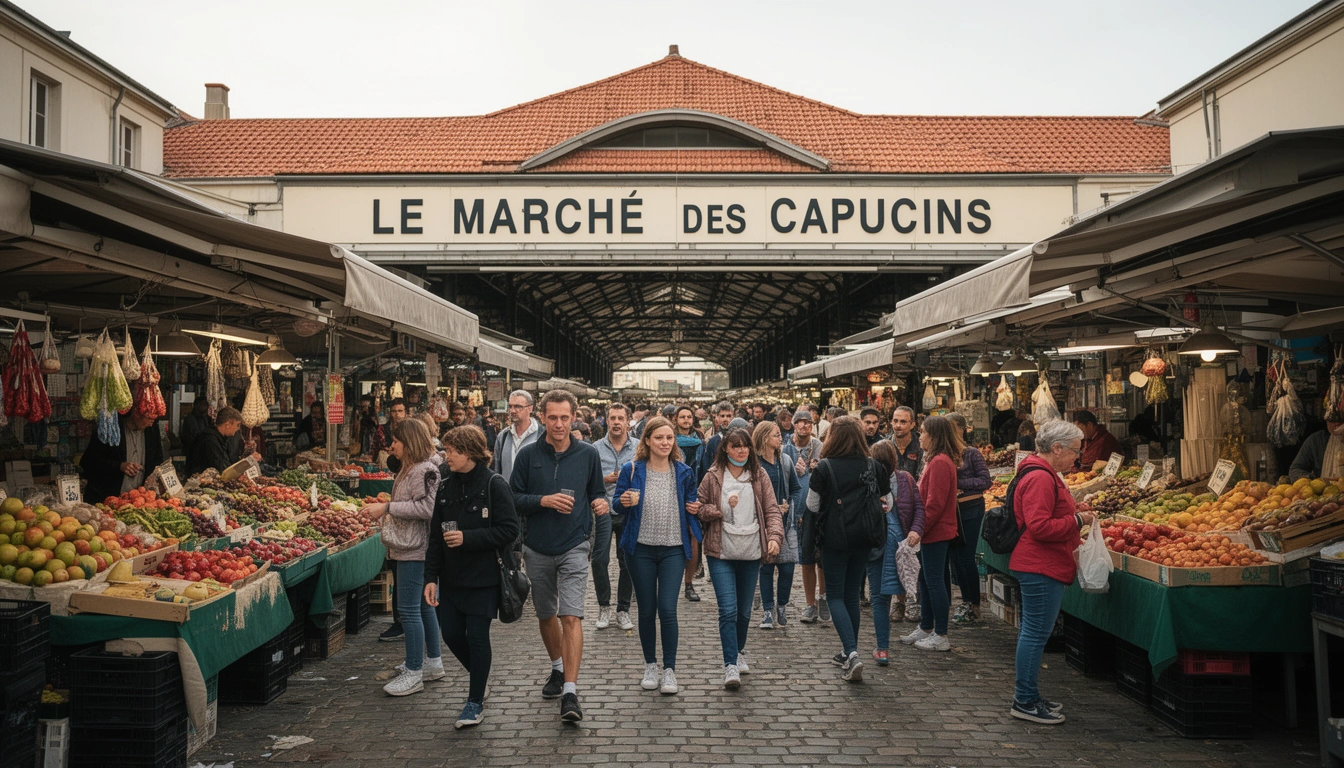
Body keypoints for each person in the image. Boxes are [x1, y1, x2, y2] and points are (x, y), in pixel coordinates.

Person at [510, 389, 608, 722]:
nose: (559, 424)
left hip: (575, 544)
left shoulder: (587, 454)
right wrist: (543, 501)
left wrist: (601, 503)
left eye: (565, 417)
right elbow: (513, 499)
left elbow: (596, 493)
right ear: (542, 418)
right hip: (537, 546)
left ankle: (570, 692)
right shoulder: (527, 456)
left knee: (571, 616)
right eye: (552, 417)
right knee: (545, 613)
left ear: (574, 417)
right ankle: (556, 667)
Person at [423, 425, 519, 728]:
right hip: (452, 579)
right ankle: (481, 677)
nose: (445, 456)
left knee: (477, 637)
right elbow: (435, 537)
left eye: (451, 450)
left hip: (484, 577)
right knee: (451, 634)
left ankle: (474, 700)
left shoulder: (494, 484)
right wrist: (430, 578)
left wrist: (469, 538)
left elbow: (509, 530)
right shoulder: (445, 483)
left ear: (467, 452)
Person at [1010, 419, 1095, 724]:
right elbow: (1040, 526)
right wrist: (1077, 521)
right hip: (1040, 565)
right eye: (1074, 450)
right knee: (1035, 635)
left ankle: (1029, 694)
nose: (1078, 456)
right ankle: (1025, 700)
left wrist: (1074, 512)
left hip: (1043, 563)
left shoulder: (1045, 473)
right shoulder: (1041, 477)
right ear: (1056, 448)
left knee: (1035, 633)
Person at [612, 416, 703, 695]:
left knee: (667, 608)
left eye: (669, 438)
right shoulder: (632, 469)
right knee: (647, 609)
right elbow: (616, 504)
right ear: (647, 440)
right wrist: (624, 500)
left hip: (674, 549)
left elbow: (693, 503)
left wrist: (696, 508)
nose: (665, 443)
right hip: (640, 549)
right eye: (659, 438)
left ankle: (670, 669)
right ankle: (650, 664)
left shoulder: (684, 471)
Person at [804, 417, 891, 682]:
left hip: (835, 539)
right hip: (864, 537)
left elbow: (812, 505)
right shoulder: (874, 466)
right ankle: (846, 651)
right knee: (852, 595)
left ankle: (851, 653)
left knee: (835, 596)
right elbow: (887, 502)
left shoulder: (824, 468)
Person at [696, 427, 783, 689]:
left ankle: (739, 650)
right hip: (720, 551)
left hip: (750, 551)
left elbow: (771, 508)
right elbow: (699, 507)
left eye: (745, 446)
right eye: (736, 446)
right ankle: (730, 664)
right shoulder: (712, 477)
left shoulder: (758, 475)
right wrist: (717, 510)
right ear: (725, 449)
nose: (742, 450)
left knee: (744, 612)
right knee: (728, 609)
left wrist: (775, 537)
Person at [361, 418, 443, 696]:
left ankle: (414, 672)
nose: (391, 445)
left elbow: (427, 508)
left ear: (408, 442)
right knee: (423, 608)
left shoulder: (422, 470)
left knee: (409, 610)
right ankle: (432, 663)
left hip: (415, 549)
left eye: (395, 441)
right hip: (412, 547)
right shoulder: (411, 468)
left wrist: (387, 507)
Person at [902, 415, 961, 652]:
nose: (920, 436)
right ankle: (927, 627)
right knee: (925, 579)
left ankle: (941, 633)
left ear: (935, 436)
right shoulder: (936, 460)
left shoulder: (939, 463)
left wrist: (918, 529)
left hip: (936, 532)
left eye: (924, 432)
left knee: (934, 581)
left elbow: (933, 504)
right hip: (931, 532)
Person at [867, 441, 923, 665]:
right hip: (886, 543)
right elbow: (920, 508)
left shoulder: (905, 480)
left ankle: (882, 649)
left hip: (893, 544)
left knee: (879, 597)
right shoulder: (899, 479)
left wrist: (916, 530)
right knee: (882, 596)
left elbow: (918, 508)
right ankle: (882, 648)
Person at [594, 403, 637, 632]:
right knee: (599, 560)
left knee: (626, 561)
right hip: (602, 511)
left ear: (628, 421)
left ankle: (623, 609)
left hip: (628, 511)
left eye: (621, 418)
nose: (617, 422)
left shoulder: (639, 448)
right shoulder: (594, 449)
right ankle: (604, 606)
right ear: (606, 421)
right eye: (613, 418)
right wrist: (606, 480)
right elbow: (588, 481)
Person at [946, 413, 993, 624]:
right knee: (955, 559)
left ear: (962, 429)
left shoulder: (972, 454)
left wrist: (960, 485)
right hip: (950, 511)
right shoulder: (942, 453)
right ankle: (964, 601)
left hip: (971, 509)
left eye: (952, 427)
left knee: (966, 558)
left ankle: (973, 604)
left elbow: (985, 481)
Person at [783, 408, 828, 624]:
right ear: (793, 424)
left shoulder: (818, 446)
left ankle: (823, 597)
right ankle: (810, 604)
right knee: (804, 558)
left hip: (816, 511)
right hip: (793, 511)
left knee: (820, 557)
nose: (804, 426)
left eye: (808, 423)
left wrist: (813, 470)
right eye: (800, 422)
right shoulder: (785, 446)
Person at [753, 421, 799, 630]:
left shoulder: (785, 461)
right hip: (762, 523)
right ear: (764, 438)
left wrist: (790, 506)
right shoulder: (754, 463)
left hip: (785, 523)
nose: (781, 438)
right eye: (776, 435)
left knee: (788, 567)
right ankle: (768, 611)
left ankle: (782, 605)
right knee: (767, 567)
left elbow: (796, 489)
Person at [81, 411, 164, 503]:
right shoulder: (111, 429)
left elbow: (158, 459)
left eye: (153, 419)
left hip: (139, 500)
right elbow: (88, 462)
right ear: (136, 413)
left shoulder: (152, 430)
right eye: (148, 418)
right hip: (107, 499)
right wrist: (119, 466)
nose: (151, 423)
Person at [671, 405, 706, 602]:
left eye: (689, 417)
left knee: (694, 535)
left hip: (694, 493)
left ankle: (689, 583)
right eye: (682, 417)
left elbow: (705, 467)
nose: (686, 420)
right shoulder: (669, 439)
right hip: (672, 493)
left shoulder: (700, 440)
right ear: (676, 419)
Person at [492, 390, 540, 482]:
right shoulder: (503, 436)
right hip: (507, 494)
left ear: (530, 408)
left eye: (518, 407)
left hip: (533, 495)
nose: (512, 411)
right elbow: (497, 469)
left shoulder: (541, 435)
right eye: (510, 406)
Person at [184, 407, 243, 476]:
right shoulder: (209, 440)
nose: (238, 429)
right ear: (228, 425)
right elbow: (220, 466)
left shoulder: (219, 438)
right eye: (237, 425)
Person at [1290, 409, 1344, 480]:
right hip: (1325, 489)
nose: (1337, 423)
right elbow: (1295, 470)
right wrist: (1314, 480)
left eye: (1341, 420)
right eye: (1332, 420)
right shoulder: (1315, 440)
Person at [698, 401, 736, 479]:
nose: (725, 419)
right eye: (722, 416)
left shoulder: (740, 439)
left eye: (728, 416)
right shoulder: (712, 442)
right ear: (717, 418)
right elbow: (707, 467)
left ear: (733, 417)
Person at [888, 406, 923, 478]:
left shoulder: (921, 445)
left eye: (903, 422)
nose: (898, 425)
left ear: (912, 424)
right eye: (895, 421)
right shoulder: (885, 446)